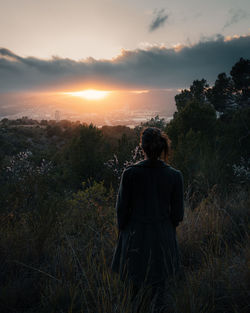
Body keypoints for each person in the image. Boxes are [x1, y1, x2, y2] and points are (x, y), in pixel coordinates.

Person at [111, 127, 184, 312]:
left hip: (134, 236)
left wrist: (124, 231)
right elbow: (178, 215)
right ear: (162, 147)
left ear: (141, 147)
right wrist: (167, 227)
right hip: (163, 237)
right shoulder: (175, 176)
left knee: (133, 293)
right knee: (160, 293)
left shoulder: (130, 174)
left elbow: (121, 211)